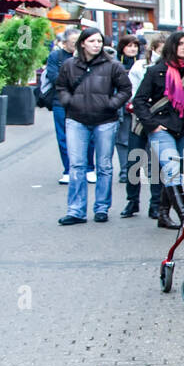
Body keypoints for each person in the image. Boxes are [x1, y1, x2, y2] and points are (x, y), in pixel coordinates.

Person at [132, 30, 184, 230]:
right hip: (161, 127)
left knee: (174, 171)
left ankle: (162, 214)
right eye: (181, 44)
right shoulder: (156, 71)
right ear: (172, 47)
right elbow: (139, 100)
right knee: (172, 170)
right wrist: (152, 125)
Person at [55, 27, 132, 225]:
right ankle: (76, 210)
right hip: (76, 118)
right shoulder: (69, 65)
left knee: (104, 165)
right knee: (77, 165)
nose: (96, 45)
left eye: (99, 41)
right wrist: (69, 102)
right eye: (92, 41)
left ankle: (101, 208)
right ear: (82, 43)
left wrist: (111, 104)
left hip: (105, 120)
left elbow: (125, 89)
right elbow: (61, 87)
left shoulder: (112, 65)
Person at [43, 29, 95, 186]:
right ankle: (68, 170)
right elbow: (54, 78)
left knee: (89, 135)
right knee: (64, 136)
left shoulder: (90, 56)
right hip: (61, 101)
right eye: (74, 43)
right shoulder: (56, 56)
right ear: (64, 43)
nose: (78, 46)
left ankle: (89, 168)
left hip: (86, 102)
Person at [126, 35, 164, 219]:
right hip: (140, 117)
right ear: (155, 48)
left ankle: (155, 203)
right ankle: (132, 201)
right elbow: (133, 92)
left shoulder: (171, 68)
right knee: (134, 160)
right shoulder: (140, 66)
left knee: (156, 164)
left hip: (159, 119)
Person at [112, 35, 143, 217]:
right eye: (129, 46)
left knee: (137, 141)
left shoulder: (142, 63)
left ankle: (137, 170)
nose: (132, 49)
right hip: (122, 104)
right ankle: (125, 170)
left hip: (138, 107)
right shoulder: (117, 63)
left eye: (135, 46)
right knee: (122, 139)